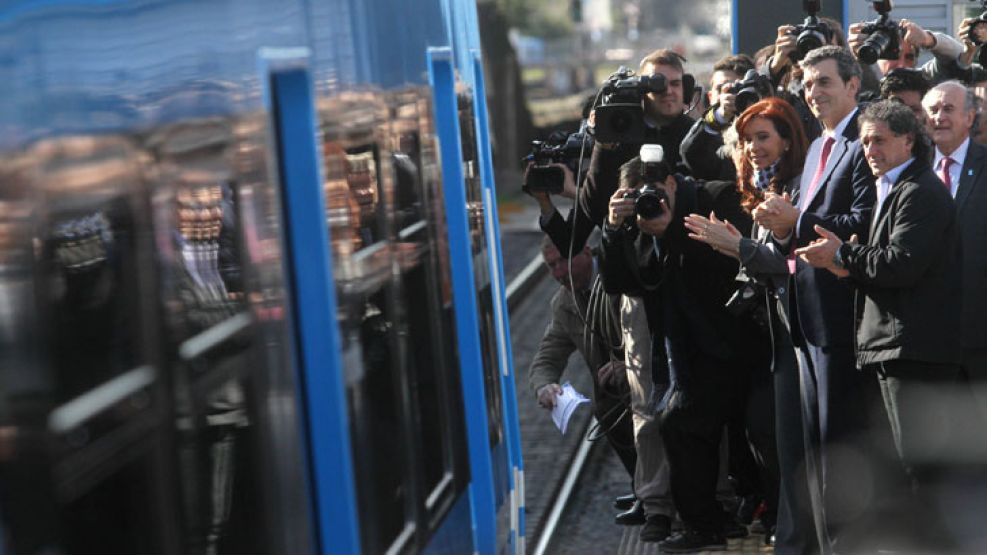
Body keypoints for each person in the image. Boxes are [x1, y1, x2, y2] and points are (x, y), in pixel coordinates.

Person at [796, 99, 964, 549]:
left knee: (919, 465)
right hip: (892, 344)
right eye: (866, 141)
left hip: (914, 348)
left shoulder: (920, 192)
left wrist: (842, 255)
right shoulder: (891, 188)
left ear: (908, 140)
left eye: (880, 140)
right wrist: (844, 259)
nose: (870, 149)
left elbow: (901, 263)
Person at [751, 46, 886, 553]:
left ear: (853, 86)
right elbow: (802, 227)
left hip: (841, 317)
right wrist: (777, 230)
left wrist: (797, 223)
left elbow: (863, 224)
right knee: (813, 452)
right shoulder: (817, 147)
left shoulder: (864, 141)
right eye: (808, 84)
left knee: (842, 451)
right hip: (804, 318)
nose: (813, 93)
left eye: (824, 82)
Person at [600, 152, 763, 552]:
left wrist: (670, 229)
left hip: (738, 340)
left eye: (655, 191)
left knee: (740, 435)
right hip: (682, 348)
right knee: (681, 425)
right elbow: (622, 281)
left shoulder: (716, 198)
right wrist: (613, 227)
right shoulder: (639, 220)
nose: (650, 200)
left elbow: (729, 261)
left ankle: (737, 515)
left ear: (673, 183)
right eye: (637, 195)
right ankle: (710, 523)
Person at [684, 97, 821, 554]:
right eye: (745, 140)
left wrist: (739, 246)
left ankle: (797, 530)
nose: (753, 148)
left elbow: (796, 265)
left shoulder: (802, 185)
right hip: (770, 333)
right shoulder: (766, 184)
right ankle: (788, 526)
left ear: (788, 138)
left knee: (779, 432)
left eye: (763, 137)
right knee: (765, 431)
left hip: (801, 330)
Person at [527, 237, 640, 524]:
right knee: (607, 412)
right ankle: (644, 489)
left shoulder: (619, 275)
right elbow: (548, 354)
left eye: (563, 261)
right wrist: (544, 385)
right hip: (611, 390)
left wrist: (628, 364)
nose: (558, 273)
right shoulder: (565, 303)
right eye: (551, 265)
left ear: (587, 252)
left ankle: (658, 495)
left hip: (647, 375)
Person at [922, 81, 987, 417]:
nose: (939, 117)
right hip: (929, 341)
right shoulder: (912, 171)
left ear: (969, 117)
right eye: (932, 110)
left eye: (948, 109)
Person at [680, 54, 756, 181]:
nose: (726, 95)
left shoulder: (765, 129)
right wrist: (720, 116)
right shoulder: (705, 133)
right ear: (710, 96)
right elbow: (690, 153)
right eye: (720, 89)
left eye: (735, 89)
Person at [848, 18, 964, 85]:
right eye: (894, 55)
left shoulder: (924, 81)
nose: (902, 65)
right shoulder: (863, 87)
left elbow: (961, 56)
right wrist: (857, 57)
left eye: (909, 57)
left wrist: (928, 39)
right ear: (876, 56)